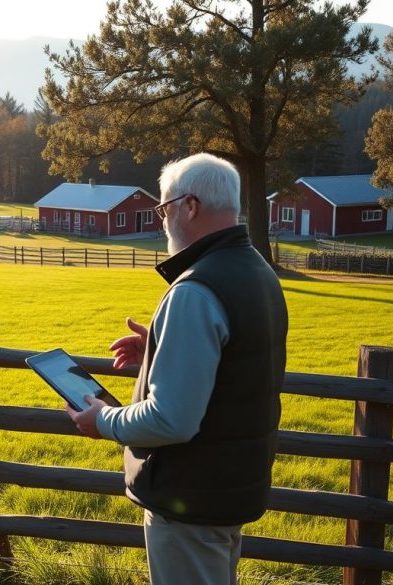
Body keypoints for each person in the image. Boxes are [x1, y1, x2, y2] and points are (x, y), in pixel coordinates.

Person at [67, 153, 288, 585]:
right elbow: (236, 363)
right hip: (228, 489)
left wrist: (103, 420)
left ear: (190, 207)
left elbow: (171, 420)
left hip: (191, 498)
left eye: (164, 209)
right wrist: (158, 347)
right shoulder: (258, 272)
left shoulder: (196, 289)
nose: (162, 221)